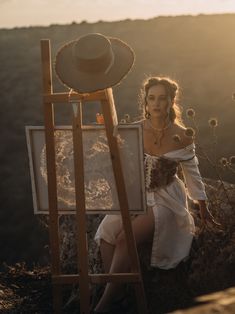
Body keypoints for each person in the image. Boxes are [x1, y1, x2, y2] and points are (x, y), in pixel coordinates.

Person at [93, 76, 219, 313]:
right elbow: (118, 150)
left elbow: (192, 173)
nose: (156, 103)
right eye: (152, 98)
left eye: (162, 98)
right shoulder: (137, 128)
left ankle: (103, 306)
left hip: (166, 197)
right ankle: (118, 290)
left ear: (171, 101)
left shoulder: (182, 134)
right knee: (106, 232)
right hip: (139, 194)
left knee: (124, 239)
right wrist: (106, 131)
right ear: (146, 102)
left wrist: (202, 206)